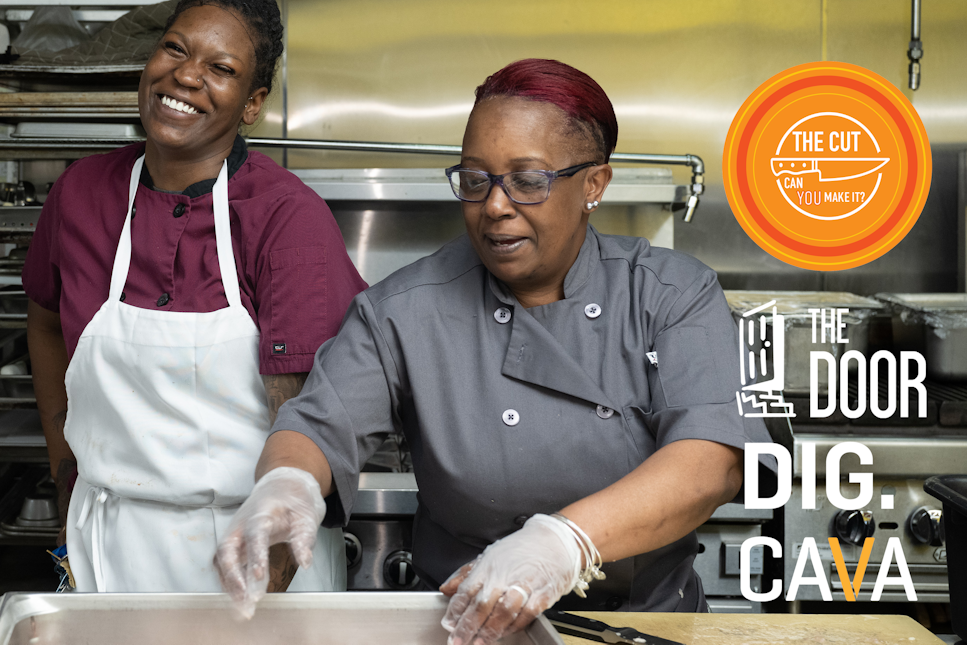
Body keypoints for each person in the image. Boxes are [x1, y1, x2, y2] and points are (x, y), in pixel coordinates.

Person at [215, 58, 774, 633]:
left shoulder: (670, 292)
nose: (495, 206)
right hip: (471, 628)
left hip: (647, 625)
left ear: (594, 185)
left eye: (528, 180)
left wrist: (564, 542)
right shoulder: (406, 309)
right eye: (476, 180)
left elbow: (712, 460)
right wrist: (288, 484)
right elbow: (316, 426)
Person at [23, 0, 366, 593]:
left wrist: (275, 565)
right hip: (109, 543)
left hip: (251, 546)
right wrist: (65, 475)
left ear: (254, 104)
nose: (185, 75)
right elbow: (47, 323)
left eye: (222, 68)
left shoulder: (286, 219)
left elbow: (311, 404)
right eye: (175, 49)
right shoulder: (80, 193)